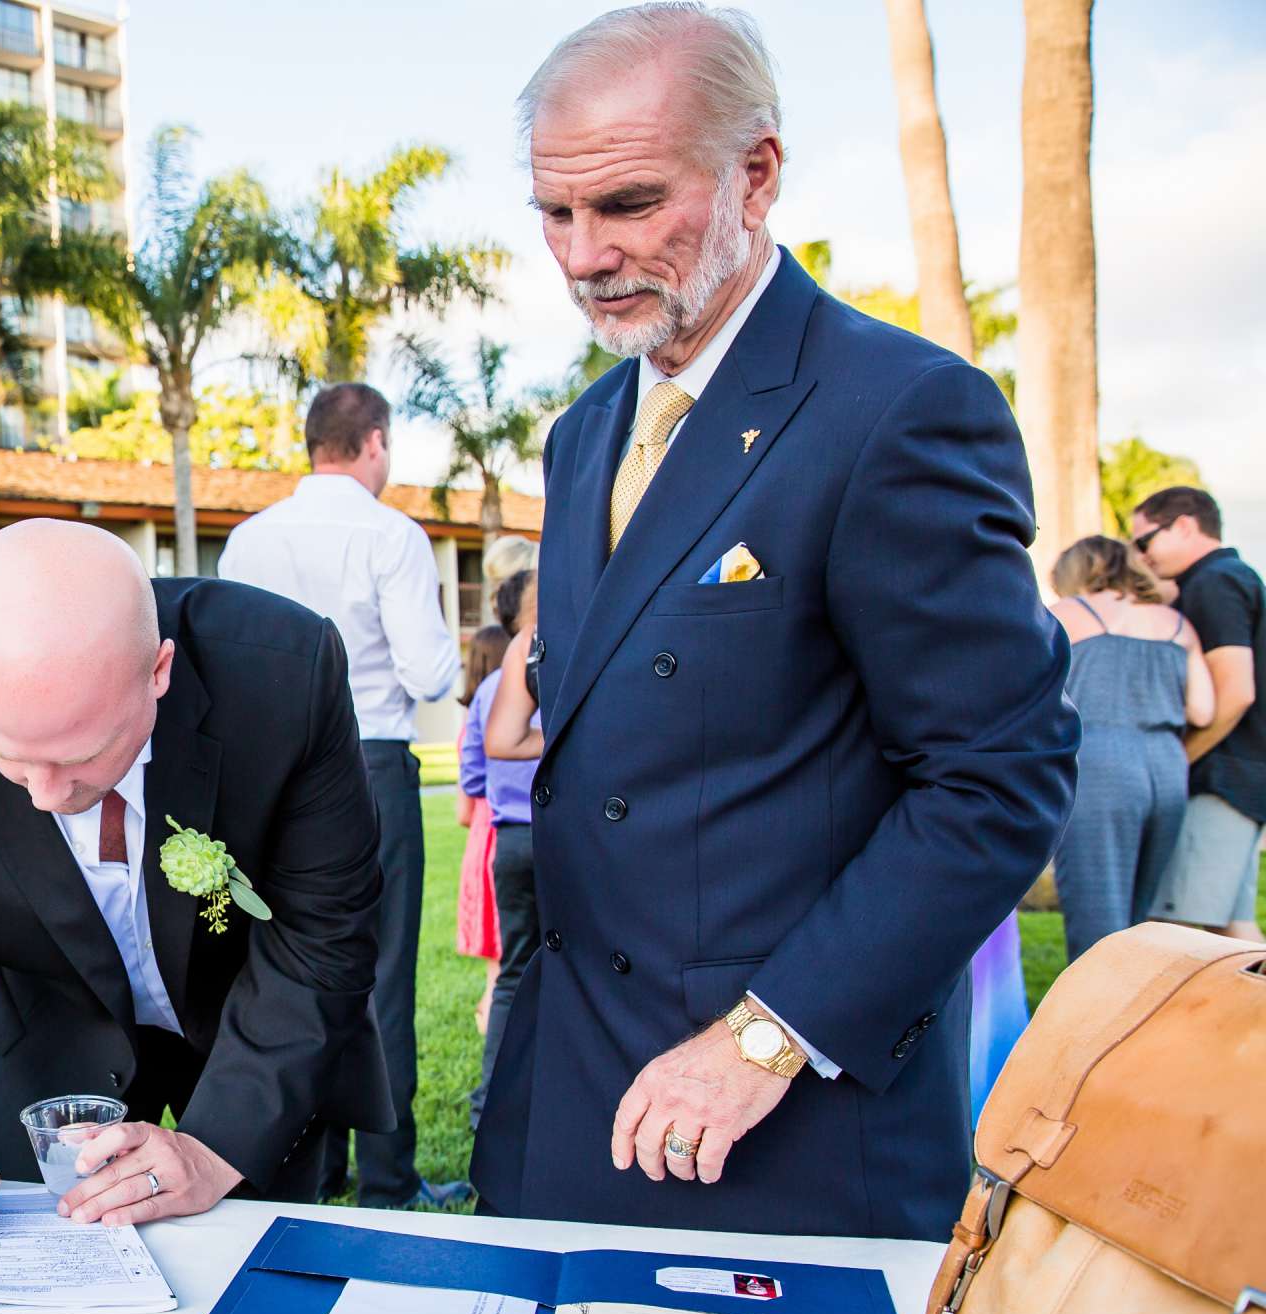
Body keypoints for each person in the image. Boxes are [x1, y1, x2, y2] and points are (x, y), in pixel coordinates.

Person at [469, 6, 1077, 1243]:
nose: (584, 255)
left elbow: (996, 777)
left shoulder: (900, 410)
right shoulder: (585, 434)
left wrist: (763, 1039)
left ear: (757, 172)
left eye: (630, 204)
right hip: (574, 1096)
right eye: (555, 212)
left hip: (781, 1126)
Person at [0, 519, 391, 1235]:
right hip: (49, 1056)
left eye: (82, 755)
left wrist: (217, 1146)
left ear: (159, 671)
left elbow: (322, 936)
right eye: (11, 756)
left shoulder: (284, 676)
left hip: (257, 1042)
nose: (44, 795)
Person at [219, 382, 463, 1208]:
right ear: (376, 444)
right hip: (369, 763)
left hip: (268, 777)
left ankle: (308, 1171)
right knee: (381, 974)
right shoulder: (392, 536)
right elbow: (430, 671)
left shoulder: (248, 541)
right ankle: (388, 1181)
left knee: (293, 972)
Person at [1046, 534, 1213, 961]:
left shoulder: (1066, 614)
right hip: (1166, 763)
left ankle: (1094, 1024)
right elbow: (1203, 711)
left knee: (1096, 917)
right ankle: (1141, 1020)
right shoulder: (1176, 623)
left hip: (1099, 760)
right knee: (1142, 921)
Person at [1135, 487, 1264, 940]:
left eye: (1144, 542)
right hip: (1241, 777)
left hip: (1220, 777)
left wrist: (1179, 759)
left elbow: (1237, 691)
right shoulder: (1233, 576)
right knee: (1232, 931)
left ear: (1185, 525)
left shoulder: (1214, 581)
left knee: (1180, 935)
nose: (1142, 557)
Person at [468, 571, 544, 1144]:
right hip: (554, 836)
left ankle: (489, 1105)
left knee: (513, 974)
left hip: (509, 840)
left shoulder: (494, 684)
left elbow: (475, 762)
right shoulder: (564, 656)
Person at [455, 622, 511, 985]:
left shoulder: (469, 728)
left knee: (498, 967)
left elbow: (463, 812)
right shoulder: (520, 718)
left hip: (481, 848)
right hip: (510, 837)